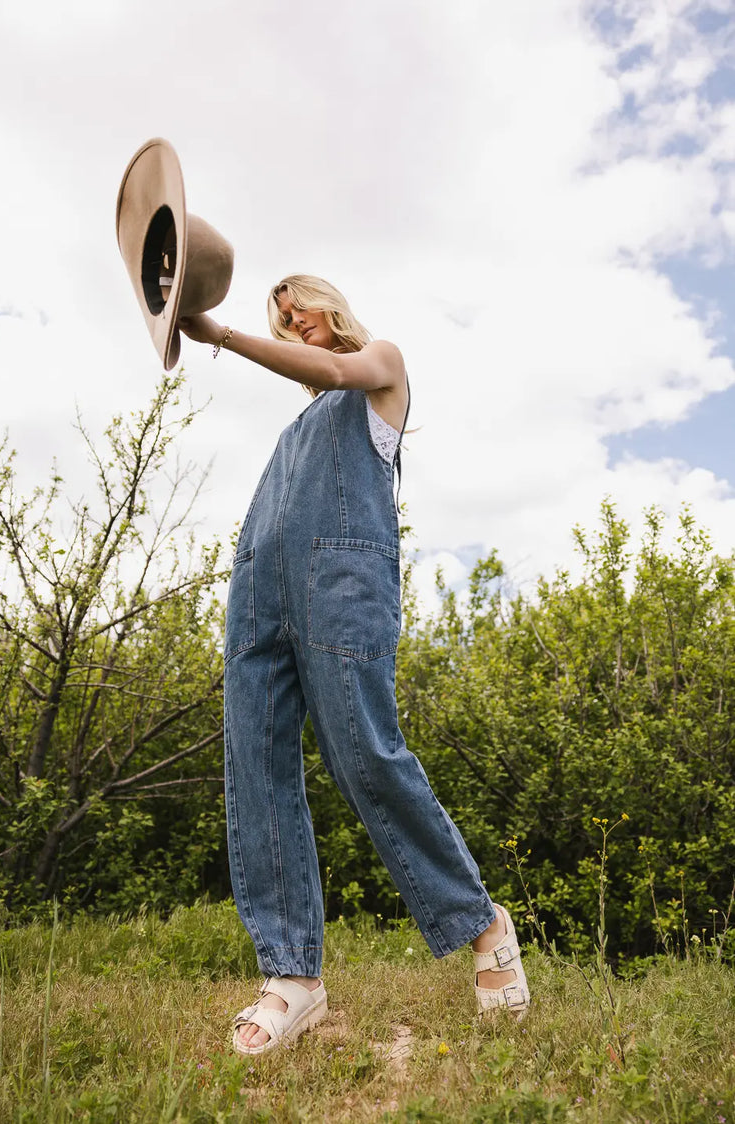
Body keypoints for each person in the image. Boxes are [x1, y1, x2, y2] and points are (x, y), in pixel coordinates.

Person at [178, 275, 530, 1056]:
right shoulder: (292, 433)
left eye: (297, 305)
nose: (289, 319)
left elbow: (338, 372)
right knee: (256, 770)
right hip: (259, 598)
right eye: (278, 317)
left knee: (366, 756)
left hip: (342, 590)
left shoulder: (380, 370)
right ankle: (293, 978)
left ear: (331, 308)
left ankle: (482, 923)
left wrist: (219, 333)